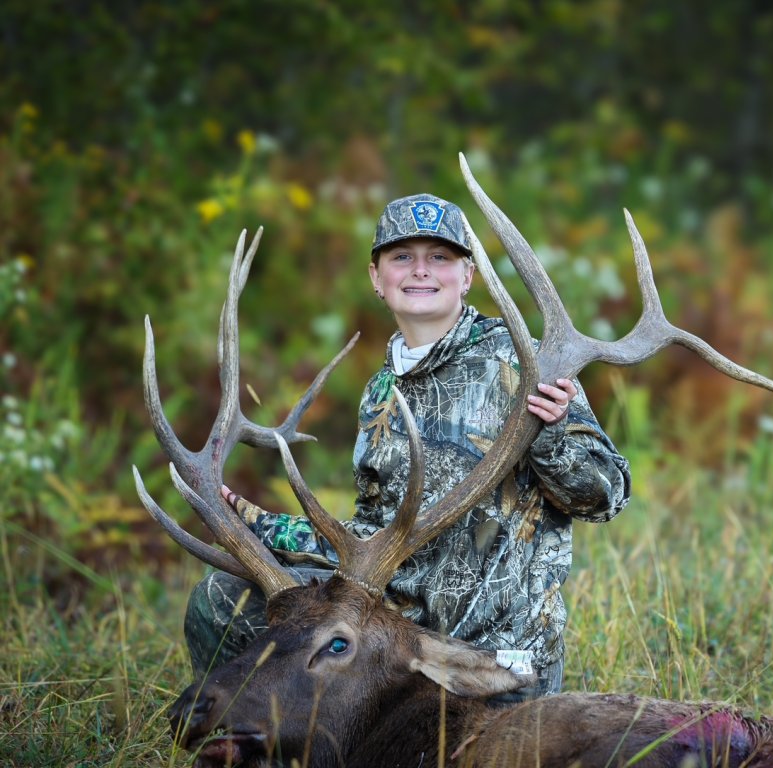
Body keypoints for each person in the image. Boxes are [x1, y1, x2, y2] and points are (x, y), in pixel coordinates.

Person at [183, 193, 631, 700]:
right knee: (222, 601)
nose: (421, 271)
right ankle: (254, 746)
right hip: (395, 648)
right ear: (377, 278)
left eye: (440, 257)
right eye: (402, 258)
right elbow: (372, 540)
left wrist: (552, 436)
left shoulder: (522, 361)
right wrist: (255, 524)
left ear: (468, 276)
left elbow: (604, 495)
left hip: (496, 664)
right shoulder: (380, 395)